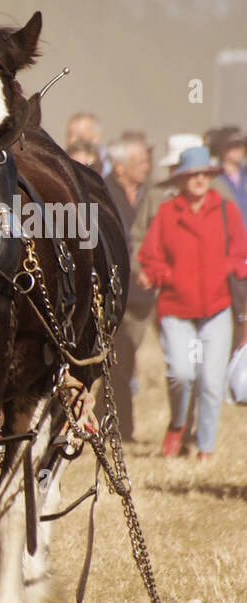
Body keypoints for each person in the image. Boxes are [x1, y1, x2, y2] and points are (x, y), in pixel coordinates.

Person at [137, 145, 247, 460]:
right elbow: (149, 257)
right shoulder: (167, 215)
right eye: (192, 175)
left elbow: (240, 251)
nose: (199, 180)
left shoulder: (226, 210)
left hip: (217, 308)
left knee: (211, 382)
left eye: (204, 174)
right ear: (181, 180)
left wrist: (227, 267)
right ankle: (177, 424)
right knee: (182, 374)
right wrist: (160, 274)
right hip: (176, 309)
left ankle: (205, 447)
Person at [104, 132, 152, 439]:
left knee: (128, 359)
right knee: (117, 360)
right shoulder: (102, 192)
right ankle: (122, 428)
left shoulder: (148, 194)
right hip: (113, 291)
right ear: (120, 166)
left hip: (143, 295)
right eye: (139, 162)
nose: (146, 167)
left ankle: (115, 420)